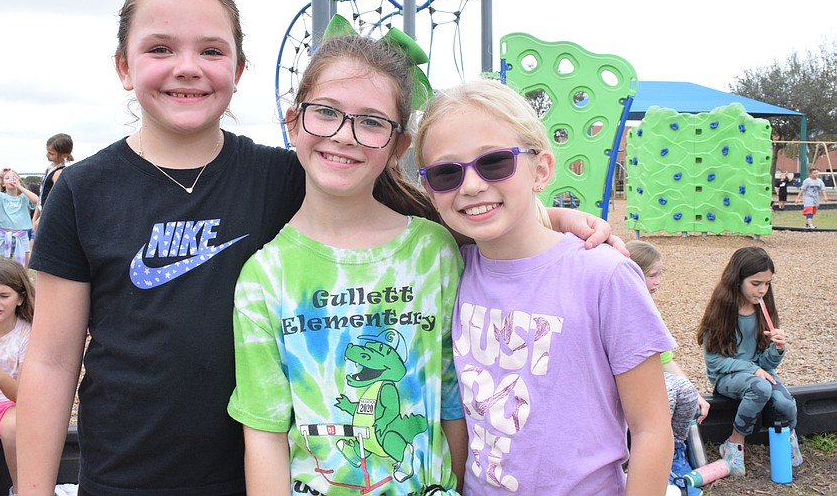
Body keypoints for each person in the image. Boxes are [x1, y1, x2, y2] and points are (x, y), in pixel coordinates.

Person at [16, 0, 622, 496]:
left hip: (264, 469)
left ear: (239, 68)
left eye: (210, 50)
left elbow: (438, 214)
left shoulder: (285, 174)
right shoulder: (82, 190)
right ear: (124, 66)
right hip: (130, 474)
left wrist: (555, 220)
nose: (186, 68)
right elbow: (50, 360)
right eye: (159, 49)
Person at [228, 32, 467, 494]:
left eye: (372, 122)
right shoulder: (264, 277)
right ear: (294, 122)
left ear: (399, 147)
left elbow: (453, 402)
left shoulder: (434, 252)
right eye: (326, 112)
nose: (343, 134)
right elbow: (264, 434)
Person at [415, 80, 676, 495]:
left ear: (541, 169)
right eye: (447, 172)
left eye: (495, 162)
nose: (470, 185)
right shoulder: (450, 271)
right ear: (429, 190)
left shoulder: (604, 276)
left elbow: (652, 429)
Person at [695, 246, 802, 477]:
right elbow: (715, 362)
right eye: (756, 283)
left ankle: (787, 437)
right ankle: (733, 443)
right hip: (726, 377)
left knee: (786, 403)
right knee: (761, 387)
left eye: (767, 283)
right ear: (737, 279)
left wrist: (777, 349)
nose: (763, 290)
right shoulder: (722, 311)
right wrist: (753, 369)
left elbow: (767, 363)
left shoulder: (765, 308)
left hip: (757, 374)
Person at [626, 240, 710, 495]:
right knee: (667, 393)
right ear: (632, 274)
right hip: (620, 383)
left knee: (683, 389)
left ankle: (673, 453)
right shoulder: (620, 308)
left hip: (644, 380)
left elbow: (665, 360)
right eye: (652, 275)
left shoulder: (650, 311)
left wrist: (695, 392)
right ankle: (648, 462)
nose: (658, 282)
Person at [0, 257, 35, 496]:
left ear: (20, 298)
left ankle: (21, 489)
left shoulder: (26, 334)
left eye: (3, 296)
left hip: (11, 404)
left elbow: (23, 395)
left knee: (13, 428)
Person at [0, 169, 38, 266]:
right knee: (1, 264)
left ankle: (21, 279)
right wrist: (0, 176)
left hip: (21, 236)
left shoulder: (24, 197)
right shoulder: (1, 197)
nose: (11, 180)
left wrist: (19, 186)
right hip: (3, 235)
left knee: (22, 264)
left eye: (14, 178)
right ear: (3, 184)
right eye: (7, 178)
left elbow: (36, 200)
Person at [31, 133, 74, 233]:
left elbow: (54, 199)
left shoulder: (59, 172)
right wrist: (34, 218)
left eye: (51, 154)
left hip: (50, 217)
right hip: (43, 213)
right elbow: (42, 196)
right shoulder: (50, 168)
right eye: (47, 152)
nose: (47, 155)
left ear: (64, 155)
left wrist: (41, 218)